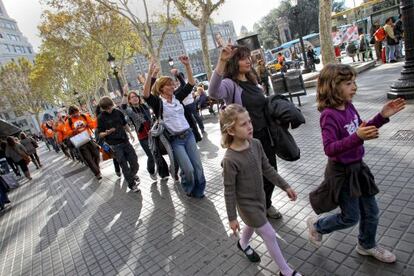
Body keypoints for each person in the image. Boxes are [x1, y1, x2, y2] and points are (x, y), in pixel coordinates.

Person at [307, 63, 406, 263]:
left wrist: (381, 116)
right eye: (349, 83)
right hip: (342, 173)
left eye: (354, 82)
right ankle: (318, 226)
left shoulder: (349, 106)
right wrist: (357, 137)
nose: (354, 87)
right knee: (350, 217)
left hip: (358, 168)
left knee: (371, 212)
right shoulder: (328, 115)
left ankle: (366, 245)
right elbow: (330, 149)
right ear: (333, 86)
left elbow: (361, 129)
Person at [220, 104, 302, 276]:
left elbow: (267, 168)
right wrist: (232, 217)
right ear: (231, 131)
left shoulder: (256, 144)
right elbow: (229, 190)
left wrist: (285, 186)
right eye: (243, 124)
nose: (250, 126)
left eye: (249, 121)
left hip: (260, 198)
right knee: (269, 234)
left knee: (251, 224)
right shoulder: (230, 159)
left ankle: (243, 244)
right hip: (246, 205)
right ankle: (285, 271)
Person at [209, 44, 283, 219]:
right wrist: (221, 60)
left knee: (271, 171)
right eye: (243, 58)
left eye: (248, 57)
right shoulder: (229, 84)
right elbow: (213, 91)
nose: (248, 61)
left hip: (265, 135)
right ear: (234, 62)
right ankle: (258, 209)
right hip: (246, 141)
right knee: (254, 178)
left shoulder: (252, 80)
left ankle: (266, 203)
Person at [143, 56, 206, 198]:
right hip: (175, 140)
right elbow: (146, 95)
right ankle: (188, 186)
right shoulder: (158, 103)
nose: (172, 87)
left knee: (197, 166)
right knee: (188, 169)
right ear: (161, 89)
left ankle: (200, 190)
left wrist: (188, 66)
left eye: (173, 84)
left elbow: (190, 83)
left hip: (188, 135)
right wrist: (150, 74)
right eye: (168, 85)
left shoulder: (177, 97)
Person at [97, 97, 140, 192]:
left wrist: (130, 134)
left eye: (110, 107)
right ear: (103, 108)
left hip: (125, 141)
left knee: (135, 163)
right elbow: (100, 133)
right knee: (124, 166)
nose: (109, 110)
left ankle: (131, 176)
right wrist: (107, 133)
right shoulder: (100, 118)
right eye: (106, 108)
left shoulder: (118, 112)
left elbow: (125, 124)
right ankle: (132, 185)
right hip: (114, 145)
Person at [121, 90, 160, 180]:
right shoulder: (130, 110)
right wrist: (125, 94)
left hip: (153, 133)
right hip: (143, 136)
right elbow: (123, 106)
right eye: (132, 97)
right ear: (129, 100)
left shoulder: (144, 106)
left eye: (136, 96)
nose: (135, 98)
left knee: (157, 153)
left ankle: (162, 172)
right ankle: (150, 170)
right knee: (151, 156)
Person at [66, 105, 101, 179]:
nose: (76, 114)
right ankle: (97, 173)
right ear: (70, 114)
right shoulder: (69, 121)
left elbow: (92, 125)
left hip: (89, 139)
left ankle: (96, 166)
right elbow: (68, 133)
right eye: (73, 114)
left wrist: (87, 124)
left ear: (78, 111)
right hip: (80, 142)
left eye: (76, 112)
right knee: (88, 158)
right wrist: (74, 131)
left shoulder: (84, 116)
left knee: (96, 154)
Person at [95, 105, 122, 178]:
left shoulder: (113, 117)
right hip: (106, 144)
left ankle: (121, 170)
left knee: (119, 156)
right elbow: (98, 139)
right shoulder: (99, 122)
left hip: (118, 140)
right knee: (115, 156)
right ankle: (118, 170)